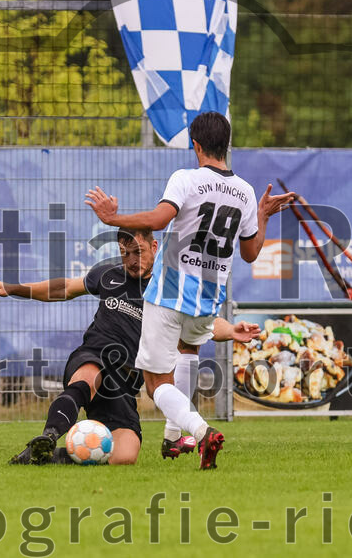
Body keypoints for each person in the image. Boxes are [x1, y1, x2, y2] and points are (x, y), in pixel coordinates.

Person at [86, 112, 295, 469]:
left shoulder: (186, 179)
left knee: (156, 384)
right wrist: (261, 216)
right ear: (226, 145)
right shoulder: (245, 192)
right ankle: (172, 437)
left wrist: (111, 219)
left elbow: (158, 220)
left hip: (170, 291)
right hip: (208, 297)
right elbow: (250, 254)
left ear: (196, 146)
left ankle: (200, 432)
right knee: (188, 350)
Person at [0, 228, 259, 465]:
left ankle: (50, 456)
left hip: (125, 382)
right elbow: (63, 288)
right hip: (94, 355)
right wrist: (13, 288)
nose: (132, 260)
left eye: (138, 252)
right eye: (126, 254)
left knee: (125, 455)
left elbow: (205, 324)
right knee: (87, 378)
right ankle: (48, 436)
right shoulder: (109, 275)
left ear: (154, 247)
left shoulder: (169, 290)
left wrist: (233, 330)